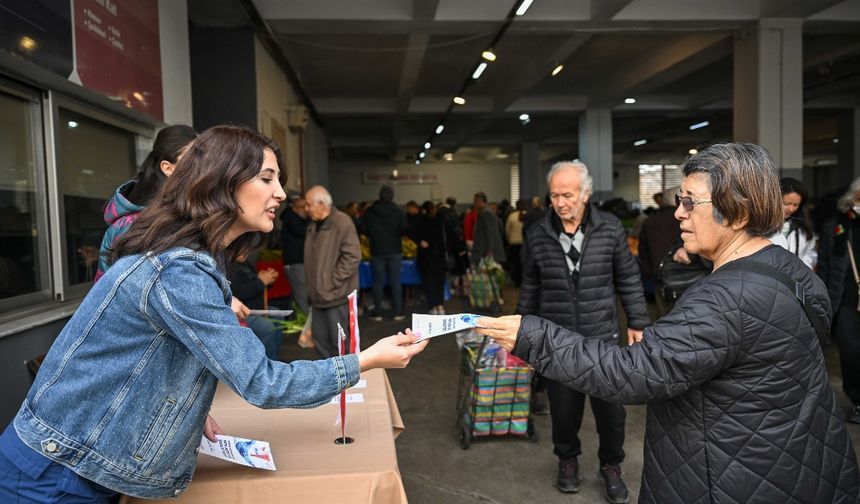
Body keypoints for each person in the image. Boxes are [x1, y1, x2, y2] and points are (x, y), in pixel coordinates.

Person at [0, 125, 428, 502]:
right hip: (56, 474)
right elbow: (262, 381)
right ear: (221, 184)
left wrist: (186, 408)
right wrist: (367, 359)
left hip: (72, 463)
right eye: (267, 178)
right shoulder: (178, 270)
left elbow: (149, 356)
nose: (280, 193)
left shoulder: (183, 259)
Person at [477, 143, 860, 503]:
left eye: (690, 202)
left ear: (739, 214)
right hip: (799, 459)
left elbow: (633, 372)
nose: (678, 212)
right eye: (680, 201)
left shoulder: (725, 299)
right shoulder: (789, 270)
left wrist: (532, 335)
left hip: (732, 476)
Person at [515, 161, 649, 502]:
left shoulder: (609, 228)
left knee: (611, 412)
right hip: (556, 340)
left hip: (602, 338)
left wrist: (637, 321)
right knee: (563, 410)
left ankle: (611, 466)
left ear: (585, 194)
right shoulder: (537, 233)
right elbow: (530, 285)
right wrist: (520, 333)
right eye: (554, 196)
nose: (560, 202)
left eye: (568, 195)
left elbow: (629, 277)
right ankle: (568, 460)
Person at [94, 124, 198, 282]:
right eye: (193, 159)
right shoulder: (132, 225)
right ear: (168, 168)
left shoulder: (189, 211)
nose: (203, 166)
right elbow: (137, 289)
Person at [819, 176, 860, 424]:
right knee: (851, 351)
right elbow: (825, 264)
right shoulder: (837, 226)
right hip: (846, 299)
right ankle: (856, 400)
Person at [304, 185, 362, 357]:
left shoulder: (342, 222)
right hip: (317, 299)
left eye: (308, 205)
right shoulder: (313, 226)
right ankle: (328, 383)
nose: (305, 209)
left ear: (322, 203)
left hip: (336, 297)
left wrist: (331, 282)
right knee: (320, 344)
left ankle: (344, 383)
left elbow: (352, 256)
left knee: (340, 346)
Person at [361, 185, 407, 321]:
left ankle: (378, 312)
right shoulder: (398, 211)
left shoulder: (370, 211)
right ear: (392, 196)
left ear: (379, 196)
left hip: (377, 250)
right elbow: (404, 230)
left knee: (378, 282)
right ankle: (398, 311)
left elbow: (364, 230)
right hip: (395, 250)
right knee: (396, 282)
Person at [228, 255, 283, 359]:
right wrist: (261, 281)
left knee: (278, 315)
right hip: (241, 312)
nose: (245, 251)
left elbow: (254, 283)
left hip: (256, 306)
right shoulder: (228, 266)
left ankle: (274, 358)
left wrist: (267, 279)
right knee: (266, 326)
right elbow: (238, 292)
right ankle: (265, 362)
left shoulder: (246, 263)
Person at [638, 186, 682, 303]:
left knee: (662, 315)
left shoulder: (649, 221)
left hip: (657, 277)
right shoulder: (685, 220)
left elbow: (642, 250)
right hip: (686, 277)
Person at [280, 195, 313, 347]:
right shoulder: (293, 221)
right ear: (294, 208)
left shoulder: (292, 218)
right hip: (295, 262)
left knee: (298, 294)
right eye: (303, 207)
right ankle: (307, 330)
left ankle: (299, 324)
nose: (306, 210)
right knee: (301, 295)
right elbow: (305, 232)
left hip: (297, 262)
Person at [770, 177, 817, 269]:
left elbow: (811, 252)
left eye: (795, 205)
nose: (791, 209)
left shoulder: (803, 227)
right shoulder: (761, 227)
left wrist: (802, 268)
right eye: (786, 203)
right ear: (774, 200)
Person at [413, 201, 447, 315]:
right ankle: (440, 306)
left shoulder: (420, 221)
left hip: (426, 258)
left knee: (429, 284)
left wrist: (419, 241)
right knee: (439, 283)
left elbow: (409, 230)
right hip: (440, 257)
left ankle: (433, 307)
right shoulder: (441, 221)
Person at [471, 192, 506, 266]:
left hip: (487, 254)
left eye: (475, 201)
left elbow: (490, 234)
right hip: (484, 253)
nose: (474, 204)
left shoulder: (486, 213)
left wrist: (489, 252)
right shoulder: (482, 213)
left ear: (480, 201)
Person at [505, 199, 526, 287]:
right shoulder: (526, 214)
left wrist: (508, 239)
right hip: (524, 243)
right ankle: (523, 280)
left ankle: (516, 281)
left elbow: (507, 230)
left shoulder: (511, 216)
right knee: (523, 263)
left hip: (513, 243)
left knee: (514, 263)